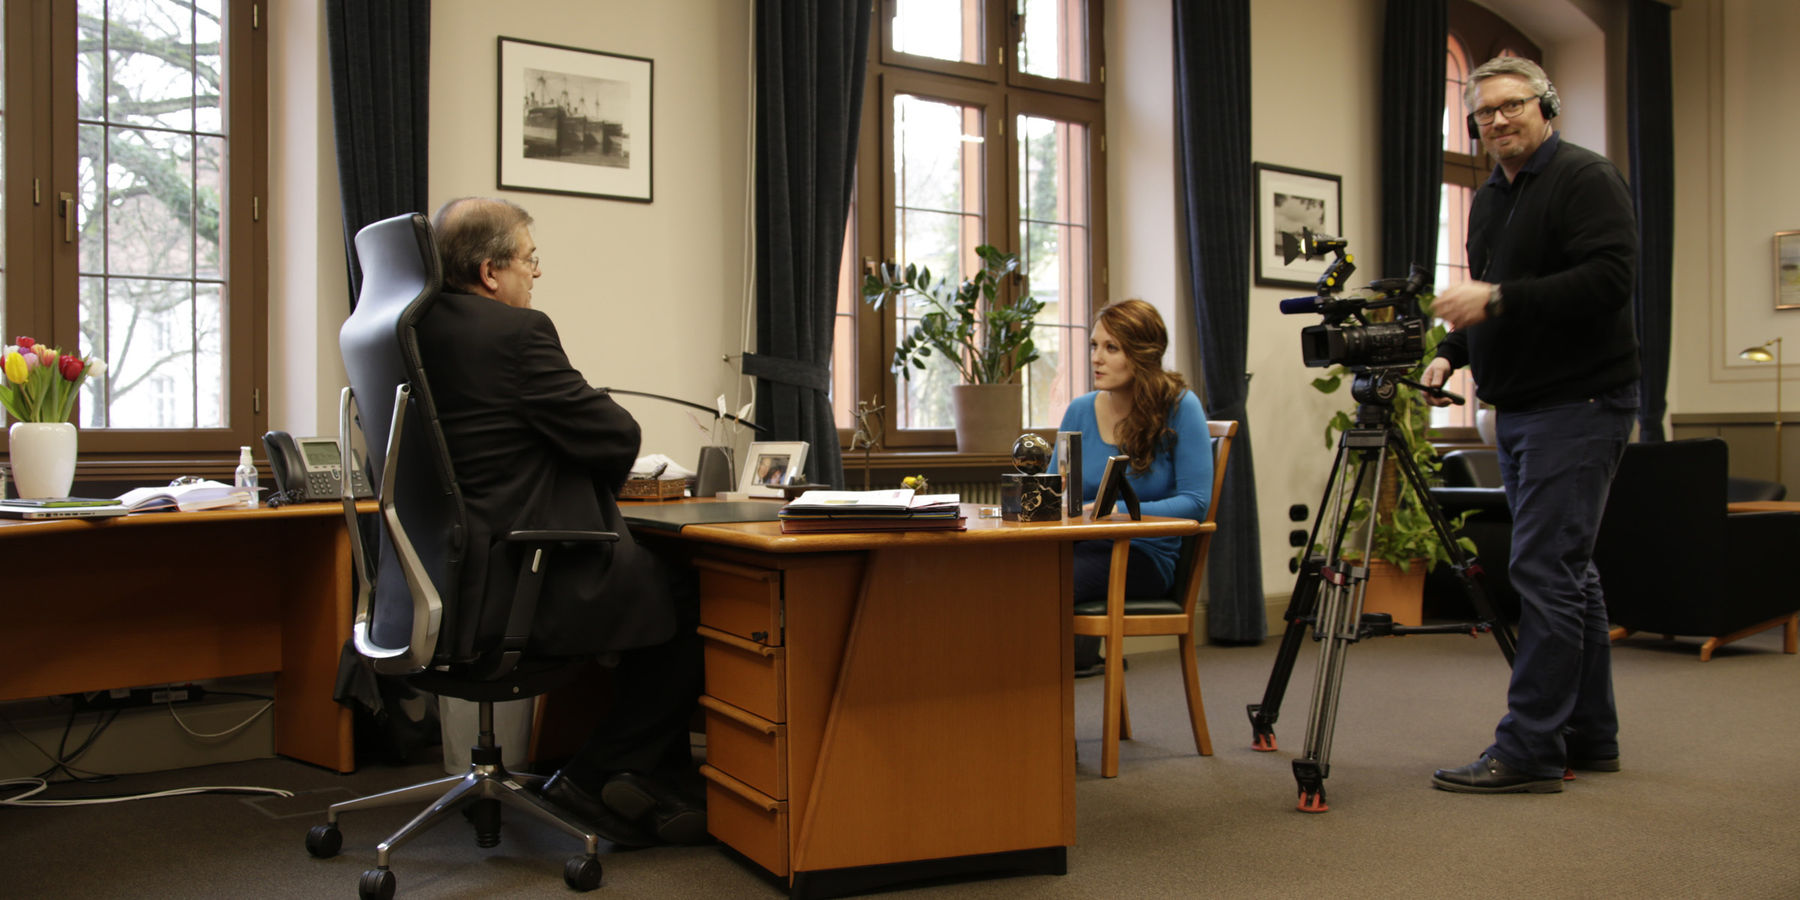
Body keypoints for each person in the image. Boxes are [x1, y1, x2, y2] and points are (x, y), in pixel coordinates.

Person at [414, 196, 707, 845]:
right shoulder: (516, 333)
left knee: (647, 586)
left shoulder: (407, 330)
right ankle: (597, 774)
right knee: (691, 600)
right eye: (530, 259)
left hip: (436, 584)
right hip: (515, 581)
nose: (537, 272)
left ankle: (638, 779)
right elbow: (615, 434)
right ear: (490, 272)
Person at [1420, 57, 1639, 794]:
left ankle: (1530, 749)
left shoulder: (1586, 178)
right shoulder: (1490, 198)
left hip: (1579, 404)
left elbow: (1609, 280)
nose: (1497, 121)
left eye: (1511, 106)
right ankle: (1591, 734)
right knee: (1571, 574)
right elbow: (1489, 300)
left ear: (1546, 106)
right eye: (1484, 113)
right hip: (1517, 409)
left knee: (1545, 572)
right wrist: (1449, 354)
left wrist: (1498, 300)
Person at [1053, 299, 1213, 677]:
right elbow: (1056, 491)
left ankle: (1042, 701)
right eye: (1094, 345)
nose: (1096, 358)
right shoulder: (1079, 410)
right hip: (1082, 546)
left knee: (1047, 582)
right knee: (1009, 571)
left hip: (1144, 555)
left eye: (1112, 348)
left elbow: (1195, 503)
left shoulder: (1180, 406)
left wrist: (1114, 512)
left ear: (1142, 354)